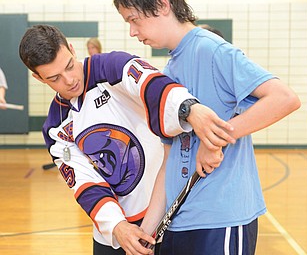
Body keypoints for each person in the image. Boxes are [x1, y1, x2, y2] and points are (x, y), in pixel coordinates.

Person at [19, 24, 235, 255]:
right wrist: (118, 226)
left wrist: (188, 109)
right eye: (55, 78)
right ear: (38, 78)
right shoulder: (56, 129)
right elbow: (85, 183)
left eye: (70, 66)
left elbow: (153, 85)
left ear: (71, 49)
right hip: (117, 230)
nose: (69, 80)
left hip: (169, 212)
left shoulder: (112, 67)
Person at [114, 0, 301, 254]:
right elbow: (169, 161)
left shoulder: (211, 50)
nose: (132, 32)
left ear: (161, 5)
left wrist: (214, 140)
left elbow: (284, 98)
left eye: (134, 19)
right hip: (178, 222)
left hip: (220, 219)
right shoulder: (167, 73)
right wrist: (147, 231)